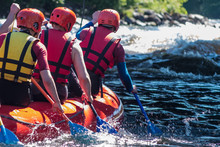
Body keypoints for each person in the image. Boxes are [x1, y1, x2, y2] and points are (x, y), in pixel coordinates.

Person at [0, 8, 63, 112]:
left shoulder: (2, 38)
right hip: (19, 96)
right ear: (36, 26)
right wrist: (57, 102)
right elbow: (47, 79)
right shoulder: (38, 46)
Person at [32, 7, 93, 103]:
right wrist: (89, 96)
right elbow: (83, 77)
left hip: (36, 90)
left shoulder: (37, 36)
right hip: (59, 93)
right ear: (69, 24)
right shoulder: (74, 45)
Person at [76, 9, 137, 96]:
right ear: (117, 25)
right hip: (92, 83)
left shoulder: (86, 32)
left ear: (100, 21)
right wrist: (130, 88)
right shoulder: (118, 47)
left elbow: (77, 33)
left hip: (74, 75)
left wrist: (93, 21)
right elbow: (123, 74)